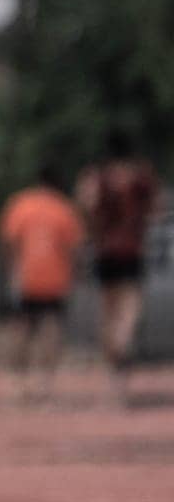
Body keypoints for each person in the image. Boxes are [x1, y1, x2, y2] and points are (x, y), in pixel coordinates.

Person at [77, 129, 163, 404]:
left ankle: (113, 380)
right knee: (128, 313)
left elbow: (86, 206)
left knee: (108, 313)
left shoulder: (97, 176)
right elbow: (157, 209)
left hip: (105, 252)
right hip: (132, 251)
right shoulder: (141, 176)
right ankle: (121, 349)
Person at [0, 165, 86, 403]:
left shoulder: (21, 204)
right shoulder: (64, 209)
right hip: (55, 279)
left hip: (25, 277)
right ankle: (45, 383)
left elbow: (8, 242)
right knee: (51, 328)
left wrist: (10, 270)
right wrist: (77, 274)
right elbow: (76, 249)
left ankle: (18, 382)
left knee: (21, 328)